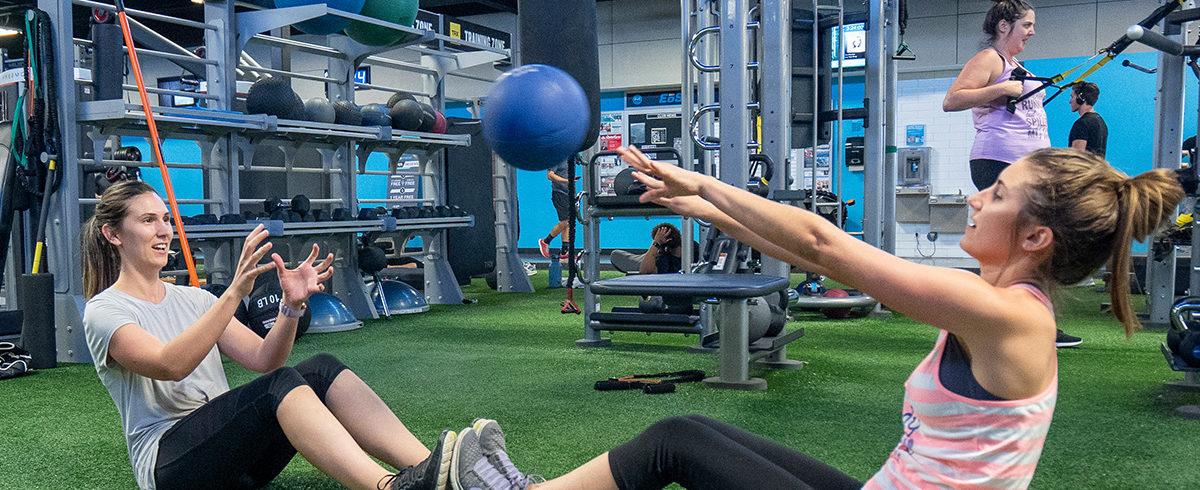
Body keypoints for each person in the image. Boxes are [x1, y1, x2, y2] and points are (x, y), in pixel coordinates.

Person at [441, 146, 1183, 489]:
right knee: (696, 435)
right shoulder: (996, 305)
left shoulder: (1011, 321)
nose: (975, 198)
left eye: (997, 194)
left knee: (677, 441)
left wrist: (704, 180)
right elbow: (827, 261)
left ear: (1035, 237)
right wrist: (703, 208)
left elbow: (826, 241)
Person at [81, 181, 495, 490]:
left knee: (320, 369)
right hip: (172, 466)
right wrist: (233, 293)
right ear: (113, 234)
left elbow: (264, 359)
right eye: (148, 220)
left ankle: (434, 470)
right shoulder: (105, 312)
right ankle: (388, 487)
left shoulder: (192, 299)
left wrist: (291, 306)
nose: (164, 230)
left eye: (166, 219)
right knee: (278, 387)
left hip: (238, 460)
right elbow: (170, 365)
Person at [944, 0, 1048, 192]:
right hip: (999, 161)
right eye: (1026, 25)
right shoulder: (990, 58)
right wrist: (1002, 89)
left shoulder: (1015, 63)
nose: (1032, 32)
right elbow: (952, 100)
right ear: (1003, 26)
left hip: (1027, 163)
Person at [538, 155, 581, 259]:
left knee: (569, 222)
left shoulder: (572, 156)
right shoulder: (556, 156)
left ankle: (564, 251)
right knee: (565, 221)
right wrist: (567, 181)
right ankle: (545, 241)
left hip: (570, 193)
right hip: (559, 193)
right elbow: (550, 175)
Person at [609, 223, 692, 275]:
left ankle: (646, 257)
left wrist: (656, 243)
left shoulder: (663, 258)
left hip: (652, 261)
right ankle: (645, 257)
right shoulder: (693, 248)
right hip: (659, 258)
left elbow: (644, 271)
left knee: (616, 254)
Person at [1068, 81, 1107, 157]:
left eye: (1072, 97)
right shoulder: (1101, 122)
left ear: (1081, 98)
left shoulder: (1082, 124)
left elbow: (1076, 159)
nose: (1070, 101)